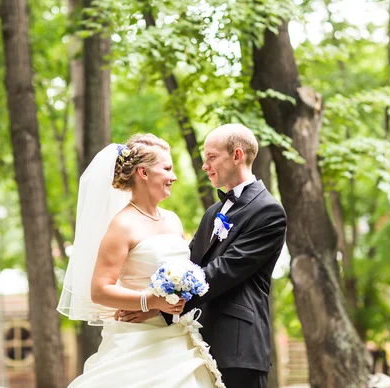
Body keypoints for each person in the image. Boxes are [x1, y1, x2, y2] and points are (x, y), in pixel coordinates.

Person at [120, 124, 287, 388]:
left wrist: (158, 303)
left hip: (238, 346)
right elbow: (189, 264)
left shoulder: (268, 211)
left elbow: (225, 270)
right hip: (197, 342)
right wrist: (151, 297)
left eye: (211, 157)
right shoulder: (213, 212)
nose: (204, 165)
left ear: (237, 155)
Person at [57, 133, 224, 387]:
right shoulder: (121, 225)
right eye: (167, 168)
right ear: (143, 173)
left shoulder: (173, 220)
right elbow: (100, 290)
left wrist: (169, 303)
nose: (174, 176)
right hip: (135, 339)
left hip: (179, 335)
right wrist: (149, 301)